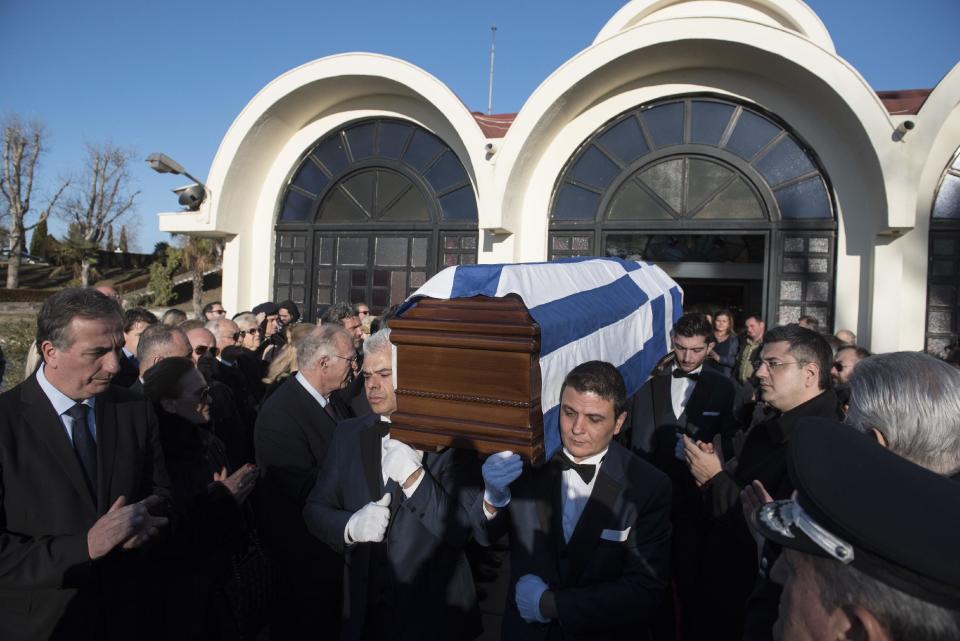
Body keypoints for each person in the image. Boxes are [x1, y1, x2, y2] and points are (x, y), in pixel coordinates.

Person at [739, 350, 960, 640]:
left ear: (874, 443)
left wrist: (772, 557)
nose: (842, 425)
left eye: (848, 417)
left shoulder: (853, 519)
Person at [0, 287, 170, 641]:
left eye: (117, 348)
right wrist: (86, 547)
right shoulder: (6, 423)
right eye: (97, 353)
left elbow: (160, 494)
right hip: (42, 625)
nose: (114, 365)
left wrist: (142, 526)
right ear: (51, 352)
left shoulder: (133, 410)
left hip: (129, 616)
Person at [303, 328, 484, 641]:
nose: (372, 384)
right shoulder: (348, 433)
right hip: (365, 615)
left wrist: (415, 479)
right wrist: (350, 526)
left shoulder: (454, 439)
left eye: (385, 374)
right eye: (369, 374)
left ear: (413, 375)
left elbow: (461, 529)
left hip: (433, 616)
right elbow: (314, 510)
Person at [481, 361, 672, 640]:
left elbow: (644, 589)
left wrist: (551, 605)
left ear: (619, 422)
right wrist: (492, 498)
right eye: (569, 413)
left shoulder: (647, 486)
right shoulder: (529, 465)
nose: (576, 429)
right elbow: (484, 537)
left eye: (594, 419)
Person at [682, 323, 840, 640]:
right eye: (760, 363)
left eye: (774, 364)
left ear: (810, 374)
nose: (759, 373)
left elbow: (772, 532)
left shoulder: (821, 444)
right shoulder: (773, 423)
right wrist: (720, 473)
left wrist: (716, 479)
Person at [619, 313, 738, 639]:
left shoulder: (725, 388)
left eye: (696, 350)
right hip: (645, 499)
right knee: (642, 575)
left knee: (688, 579)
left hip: (694, 505)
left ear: (711, 347)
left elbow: (730, 440)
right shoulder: (646, 381)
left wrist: (715, 452)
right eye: (681, 347)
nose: (687, 357)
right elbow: (621, 429)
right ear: (673, 340)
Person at [142, 357, 259, 641]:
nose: (209, 400)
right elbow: (169, 529)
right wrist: (220, 499)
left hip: (220, 586)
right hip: (182, 599)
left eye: (207, 391)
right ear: (169, 403)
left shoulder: (207, 440)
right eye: (199, 395)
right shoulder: (155, 455)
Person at [254, 324, 355, 640]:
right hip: (304, 557)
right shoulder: (281, 413)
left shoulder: (334, 400)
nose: (356, 366)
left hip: (331, 550)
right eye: (350, 359)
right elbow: (301, 486)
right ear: (324, 363)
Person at [115, 307, 158, 388]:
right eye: (141, 335)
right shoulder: (114, 363)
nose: (148, 341)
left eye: (153, 336)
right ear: (123, 334)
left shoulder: (156, 360)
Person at [734, 313, 765, 386]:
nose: (749, 329)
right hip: (739, 386)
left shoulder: (767, 344)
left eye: (752, 326)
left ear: (761, 325)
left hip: (756, 389)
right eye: (747, 327)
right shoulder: (743, 341)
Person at [708, 309, 740, 379]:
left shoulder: (733, 339)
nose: (721, 324)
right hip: (706, 374)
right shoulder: (708, 336)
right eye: (718, 321)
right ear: (714, 322)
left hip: (723, 377)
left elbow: (735, 361)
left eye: (724, 321)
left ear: (729, 323)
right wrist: (706, 350)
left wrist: (719, 358)